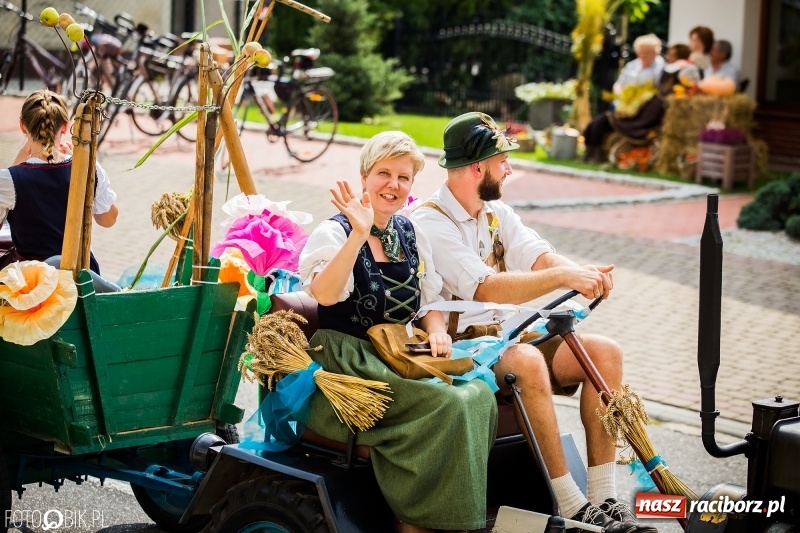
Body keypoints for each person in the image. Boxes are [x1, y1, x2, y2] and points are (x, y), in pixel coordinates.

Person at [411, 112, 657, 533]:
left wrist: (581, 273)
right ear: (476, 168)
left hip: (505, 341)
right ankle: (571, 504)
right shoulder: (430, 222)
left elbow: (540, 255)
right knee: (525, 359)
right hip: (462, 352)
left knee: (604, 352)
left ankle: (604, 500)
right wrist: (564, 277)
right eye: (502, 161)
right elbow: (484, 288)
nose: (508, 169)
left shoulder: (493, 211)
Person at [298, 131, 497, 533]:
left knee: (479, 393)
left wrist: (436, 331)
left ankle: (452, 517)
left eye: (403, 177)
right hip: (348, 361)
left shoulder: (409, 232)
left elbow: (428, 301)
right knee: (449, 405)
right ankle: (417, 521)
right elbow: (324, 292)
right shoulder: (334, 232)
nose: (393, 185)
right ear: (364, 177)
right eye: (383, 173)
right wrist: (358, 233)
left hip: (396, 352)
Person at [0, 90, 118, 274]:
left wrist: (18, 163)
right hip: (81, 276)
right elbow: (108, 219)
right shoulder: (89, 167)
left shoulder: (9, 179)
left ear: (23, 126)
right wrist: (78, 162)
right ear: (64, 127)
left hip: (32, 282)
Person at [583, 34, 666, 163]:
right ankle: (591, 153)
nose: (643, 55)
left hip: (642, 111)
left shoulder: (660, 68)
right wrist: (620, 100)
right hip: (624, 105)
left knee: (603, 121)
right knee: (596, 123)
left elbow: (655, 91)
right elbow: (619, 84)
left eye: (647, 53)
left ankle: (596, 156)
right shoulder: (632, 66)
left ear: (655, 52)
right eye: (641, 52)